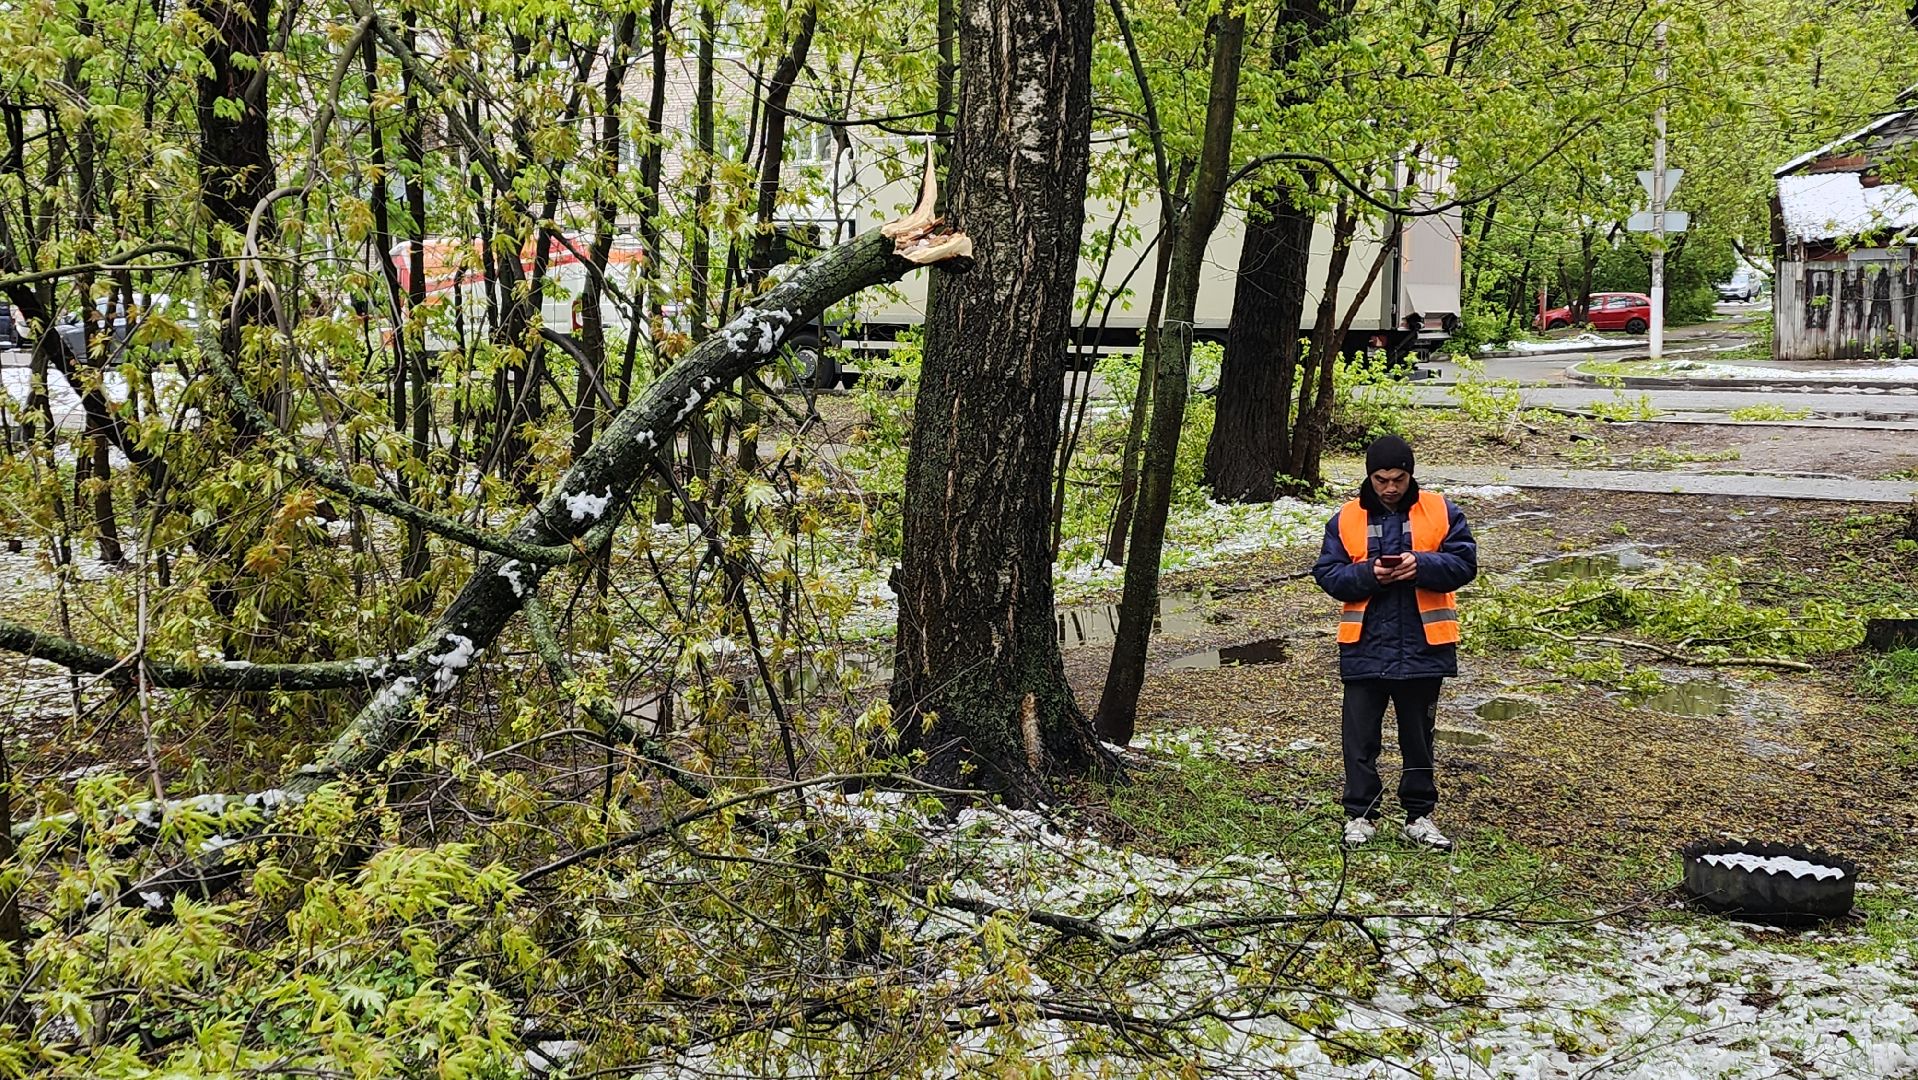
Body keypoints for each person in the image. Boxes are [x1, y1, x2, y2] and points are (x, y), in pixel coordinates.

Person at [1311, 435, 1477, 850]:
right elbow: (1328, 574)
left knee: (1417, 737)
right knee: (1359, 738)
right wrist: (1371, 575)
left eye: (1398, 479)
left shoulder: (1442, 510)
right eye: (1381, 479)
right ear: (1369, 476)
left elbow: (1464, 563)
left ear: (1411, 475)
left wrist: (1418, 565)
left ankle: (1418, 817)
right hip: (1364, 646)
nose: (1389, 487)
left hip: (1424, 647)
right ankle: (1360, 817)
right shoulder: (1345, 518)